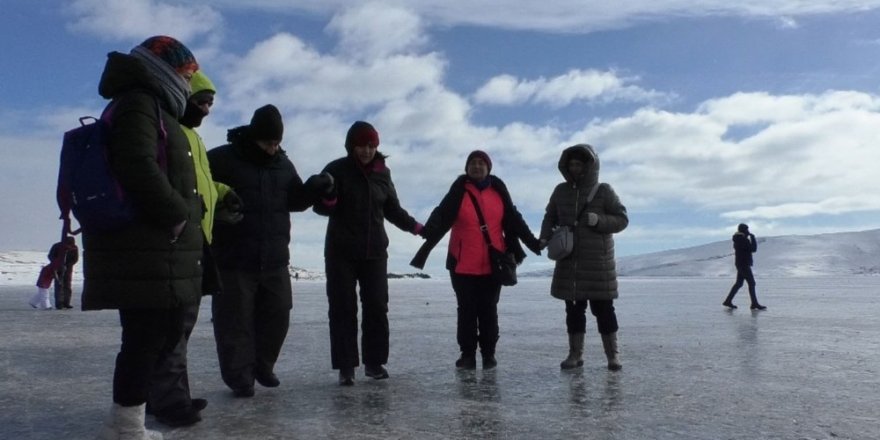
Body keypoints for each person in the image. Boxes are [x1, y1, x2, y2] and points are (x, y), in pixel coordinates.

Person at [84, 35, 204, 440]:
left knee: (153, 336)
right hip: (146, 246)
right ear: (164, 70)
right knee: (143, 338)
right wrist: (176, 214)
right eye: (186, 73)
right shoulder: (139, 102)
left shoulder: (153, 104)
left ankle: (128, 423)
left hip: (154, 248)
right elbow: (135, 164)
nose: (190, 83)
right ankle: (126, 428)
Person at [208, 104, 332, 398]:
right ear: (253, 137)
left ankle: (263, 366)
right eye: (267, 143)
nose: (272, 148)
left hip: (275, 259)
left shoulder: (283, 164)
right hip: (233, 258)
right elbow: (200, 192)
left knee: (278, 314)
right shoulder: (222, 159)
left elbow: (296, 201)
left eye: (276, 143)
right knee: (235, 322)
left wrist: (315, 187)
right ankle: (240, 378)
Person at [146, 71, 238, 427]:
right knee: (172, 325)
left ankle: (163, 395)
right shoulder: (167, 130)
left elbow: (196, 186)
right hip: (174, 245)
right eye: (200, 101)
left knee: (180, 325)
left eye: (210, 103)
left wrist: (223, 192)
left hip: (197, 244)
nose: (206, 109)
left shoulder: (194, 139)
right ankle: (169, 400)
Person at [314, 121, 423, 386]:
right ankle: (346, 367)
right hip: (341, 252)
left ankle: (374, 363)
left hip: (374, 252)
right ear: (352, 145)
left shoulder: (382, 173)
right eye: (362, 145)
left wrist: (416, 227)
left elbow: (392, 209)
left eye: (372, 145)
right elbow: (321, 207)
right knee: (343, 308)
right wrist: (328, 196)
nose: (367, 150)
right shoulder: (335, 169)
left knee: (376, 307)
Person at [411, 150, 541, 370]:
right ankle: (468, 355)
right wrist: (427, 231)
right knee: (467, 310)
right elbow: (441, 213)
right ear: (467, 168)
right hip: (462, 263)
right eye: (472, 163)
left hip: (493, 263)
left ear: (488, 168)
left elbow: (515, 220)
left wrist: (534, 243)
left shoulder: (498, 192)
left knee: (489, 309)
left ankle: (489, 354)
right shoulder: (458, 191)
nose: (477, 167)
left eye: (481, 163)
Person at [540, 144, 628, 371]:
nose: (575, 168)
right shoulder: (560, 191)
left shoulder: (604, 191)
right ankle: (575, 354)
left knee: (604, 311)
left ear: (590, 166)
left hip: (598, 264)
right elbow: (549, 217)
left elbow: (622, 219)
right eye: (572, 164)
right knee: (574, 311)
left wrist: (599, 221)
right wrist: (543, 238)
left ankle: (613, 356)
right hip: (570, 262)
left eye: (580, 164)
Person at [723, 223, 766, 310]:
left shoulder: (738, 239)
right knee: (751, 283)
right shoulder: (743, 240)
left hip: (740, 264)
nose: (748, 231)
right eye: (747, 229)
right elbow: (753, 249)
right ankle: (754, 303)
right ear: (744, 230)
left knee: (739, 284)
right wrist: (753, 238)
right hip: (744, 264)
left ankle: (728, 301)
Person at [48, 236, 78, 309]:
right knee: (59, 285)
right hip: (58, 269)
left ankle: (66, 303)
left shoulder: (74, 247)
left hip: (68, 269)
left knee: (67, 286)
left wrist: (68, 265)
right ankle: (59, 304)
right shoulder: (57, 246)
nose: (70, 246)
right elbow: (50, 256)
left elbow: (75, 259)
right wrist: (57, 263)